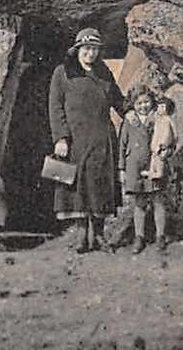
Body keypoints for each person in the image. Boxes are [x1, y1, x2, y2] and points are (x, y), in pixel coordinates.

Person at [49, 27, 126, 252]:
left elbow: (117, 99)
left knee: (100, 185)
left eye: (94, 50)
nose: (90, 54)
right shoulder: (63, 73)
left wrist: (131, 112)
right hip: (75, 140)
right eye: (87, 49)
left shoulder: (103, 72)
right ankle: (82, 236)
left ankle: (99, 236)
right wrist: (60, 138)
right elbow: (55, 107)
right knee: (76, 187)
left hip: (102, 138)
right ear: (78, 49)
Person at [118, 86, 173, 253]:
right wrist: (122, 169)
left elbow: (169, 140)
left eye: (146, 102)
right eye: (139, 103)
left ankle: (160, 236)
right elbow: (122, 145)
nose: (143, 106)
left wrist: (166, 152)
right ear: (133, 104)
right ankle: (139, 237)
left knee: (158, 201)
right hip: (134, 167)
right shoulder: (129, 120)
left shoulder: (159, 118)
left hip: (154, 165)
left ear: (152, 102)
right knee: (139, 204)